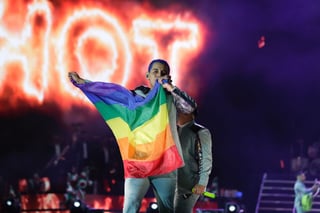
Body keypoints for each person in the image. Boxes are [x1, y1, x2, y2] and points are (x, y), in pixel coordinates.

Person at [68, 59, 197, 213]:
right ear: (148, 76)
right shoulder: (134, 97)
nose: (159, 75)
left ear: (169, 77)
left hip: (165, 162)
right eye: (155, 71)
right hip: (139, 162)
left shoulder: (171, 98)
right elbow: (110, 92)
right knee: (130, 208)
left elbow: (190, 109)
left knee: (169, 209)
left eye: (163, 72)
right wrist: (85, 83)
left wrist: (171, 88)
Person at [174, 110, 213, 213]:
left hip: (190, 185)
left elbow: (206, 158)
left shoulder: (200, 131)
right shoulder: (174, 131)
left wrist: (202, 183)